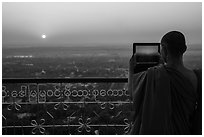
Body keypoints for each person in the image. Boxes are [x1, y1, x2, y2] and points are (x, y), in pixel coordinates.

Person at [128, 31, 202, 135]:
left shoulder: (154, 75)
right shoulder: (195, 77)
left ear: (164, 49)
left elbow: (132, 94)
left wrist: (131, 68)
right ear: (184, 49)